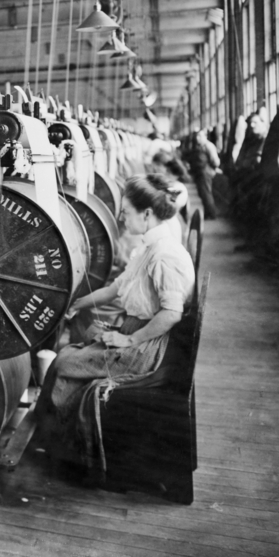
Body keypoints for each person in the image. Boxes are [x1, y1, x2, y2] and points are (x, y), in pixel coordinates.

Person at [37, 173, 196, 473]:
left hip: (148, 349)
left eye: (126, 211)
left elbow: (172, 313)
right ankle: (57, 439)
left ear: (147, 213)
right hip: (140, 334)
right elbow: (114, 289)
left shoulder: (164, 256)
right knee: (73, 351)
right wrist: (74, 303)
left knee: (65, 362)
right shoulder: (148, 248)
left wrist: (129, 340)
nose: (121, 217)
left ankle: (70, 451)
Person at [187, 128, 219, 220]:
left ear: (205, 136)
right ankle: (208, 213)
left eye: (200, 136)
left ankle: (212, 214)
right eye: (197, 136)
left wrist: (211, 170)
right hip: (200, 173)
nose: (198, 138)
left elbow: (215, 161)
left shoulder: (209, 146)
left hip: (206, 173)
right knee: (203, 194)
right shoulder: (199, 147)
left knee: (206, 193)